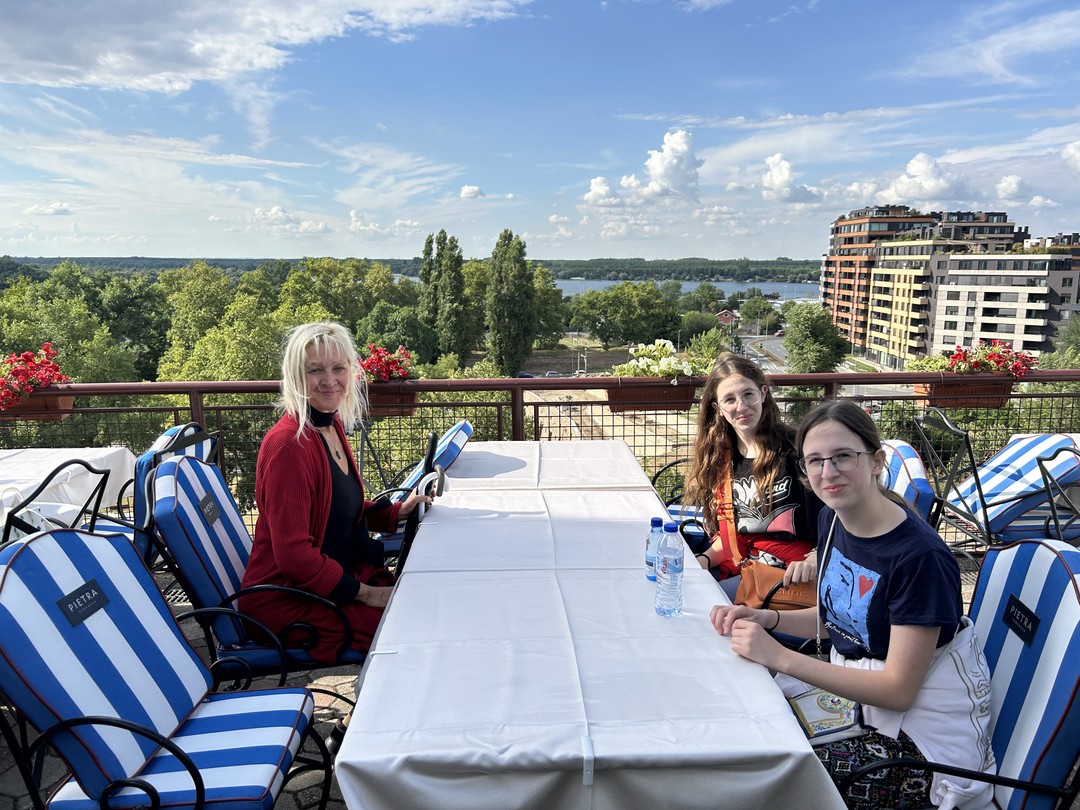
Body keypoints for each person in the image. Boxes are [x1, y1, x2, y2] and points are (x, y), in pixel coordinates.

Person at [710, 400, 995, 809]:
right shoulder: (834, 519)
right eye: (815, 461)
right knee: (738, 723)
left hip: (919, 752)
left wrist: (779, 657)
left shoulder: (919, 559)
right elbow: (840, 619)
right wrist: (767, 618)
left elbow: (898, 690)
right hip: (864, 709)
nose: (828, 472)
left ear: (876, 461)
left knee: (761, 776)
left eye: (844, 456)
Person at [240, 322, 431, 749]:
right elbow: (293, 556)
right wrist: (364, 592)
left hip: (321, 582)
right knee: (407, 626)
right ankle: (371, 737)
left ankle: (378, 724)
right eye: (315, 371)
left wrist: (396, 513)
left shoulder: (329, 427)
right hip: (284, 597)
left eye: (339, 368)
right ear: (295, 377)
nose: (330, 380)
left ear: (352, 372)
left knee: (421, 609)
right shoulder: (289, 446)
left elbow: (341, 506)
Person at [683, 352, 823, 598]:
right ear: (718, 408)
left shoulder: (796, 450)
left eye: (748, 394)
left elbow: (837, 521)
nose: (741, 406)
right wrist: (703, 559)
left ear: (763, 394)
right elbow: (733, 536)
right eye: (730, 399)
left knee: (697, 604)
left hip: (791, 579)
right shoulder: (722, 458)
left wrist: (815, 559)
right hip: (743, 570)